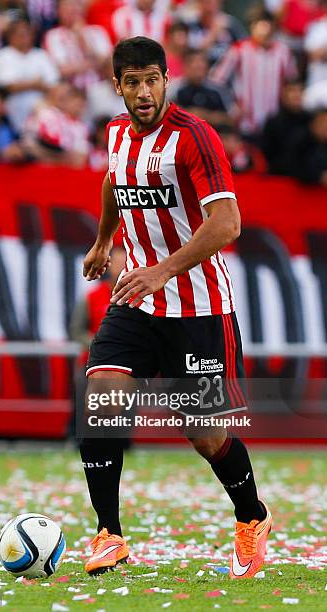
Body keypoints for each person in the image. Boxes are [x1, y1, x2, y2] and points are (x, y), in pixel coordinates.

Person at [80, 36, 272, 579]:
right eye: (133, 82)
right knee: (102, 397)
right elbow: (113, 182)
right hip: (137, 304)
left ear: (167, 79)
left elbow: (228, 223)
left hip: (200, 308)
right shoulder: (116, 133)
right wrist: (102, 243)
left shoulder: (194, 138)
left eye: (153, 80)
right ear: (117, 86)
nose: (144, 92)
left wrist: (162, 270)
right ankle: (109, 534)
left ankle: (251, 516)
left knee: (206, 435)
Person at [210, 7, 297, 139]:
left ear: (273, 28)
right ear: (252, 27)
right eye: (260, 27)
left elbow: (291, 81)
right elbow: (216, 80)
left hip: (275, 122)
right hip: (244, 122)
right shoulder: (238, 50)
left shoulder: (283, 52)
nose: (265, 33)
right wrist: (231, 106)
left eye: (268, 28)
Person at [0, 17, 59, 131]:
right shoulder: (2, 56)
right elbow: (8, 86)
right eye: (20, 34)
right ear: (10, 37)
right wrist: (36, 84)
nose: (24, 38)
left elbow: (54, 86)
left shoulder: (41, 55)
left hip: (42, 109)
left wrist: (25, 84)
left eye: (27, 34)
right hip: (11, 111)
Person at [261, 79, 310, 175]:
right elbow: (268, 155)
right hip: (281, 178)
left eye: (300, 91)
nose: (296, 95)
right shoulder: (273, 123)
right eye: (292, 91)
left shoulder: (311, 121)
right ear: (283, 95)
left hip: (309, 179)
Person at [175, 48, 232, 127]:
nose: (198, 65)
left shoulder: (218, 89)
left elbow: (231, 119)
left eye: (201, 62)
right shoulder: (176, 88)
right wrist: (189, 113)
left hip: (215, 134)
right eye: (193, 62)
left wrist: (206, 116)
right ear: (185, 67)